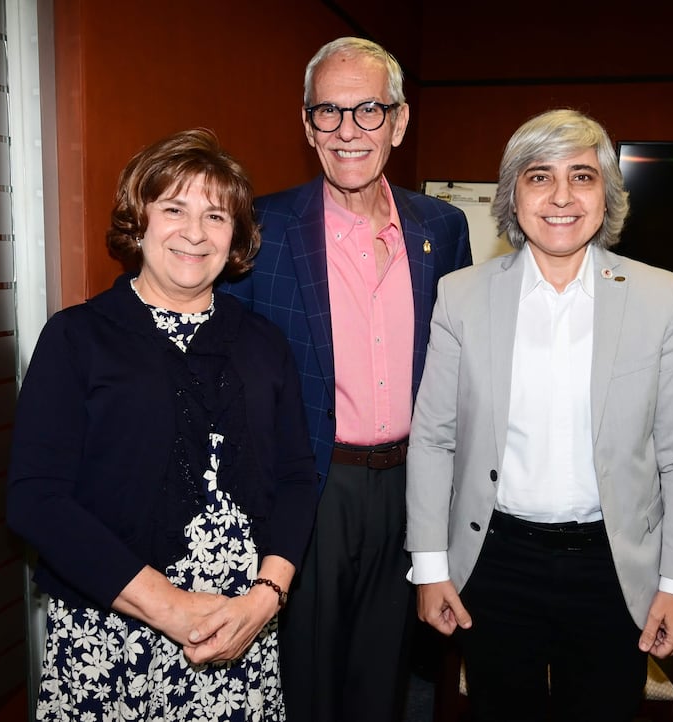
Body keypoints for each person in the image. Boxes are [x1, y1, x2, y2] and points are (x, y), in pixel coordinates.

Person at [405, 108, 673, 722]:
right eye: (538, 176)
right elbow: (434, 440)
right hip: (495, 563)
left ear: (606, 193)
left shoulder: (662, 297)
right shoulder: (461, 296)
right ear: (512, 195)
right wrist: (430, 567)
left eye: (581, 176)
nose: (560, 197)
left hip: (614, 567)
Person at [7, 128, 318, 721]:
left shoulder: (264, 345)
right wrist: (170, 608)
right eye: (174, 208)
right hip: (111, 635)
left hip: (240, 634)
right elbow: (35, 500)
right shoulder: (78, 338)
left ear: (238, 237)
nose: (195, 233)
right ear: (139, 219)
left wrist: (267, 597)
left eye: (217, 215)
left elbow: (298, 477)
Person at [218, 36, 471, 722]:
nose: (348, 131)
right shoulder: (260, 228)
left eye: (368, 111)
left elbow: (456, 368)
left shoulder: (443, 229)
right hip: (311, 486)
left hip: (410, 485)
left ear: (400, 120)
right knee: (306, 677)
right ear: (307, 125)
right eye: (329, 113)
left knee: (384, 674)